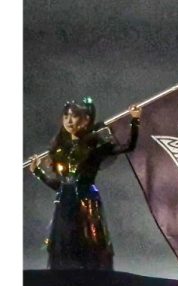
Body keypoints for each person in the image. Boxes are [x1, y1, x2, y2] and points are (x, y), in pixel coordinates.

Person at [28, 98, 142, 270]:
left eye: (74, 116)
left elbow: (128, 146)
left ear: (85, 120)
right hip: (64, 206)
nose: (69, 121)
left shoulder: (94, 146)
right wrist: (38, 172)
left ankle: (91, 282)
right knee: (64, 250)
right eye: (66, 116)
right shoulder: (60, 149)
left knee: (89, 247)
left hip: (86, 204)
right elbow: (59, 186)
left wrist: (135, 120)